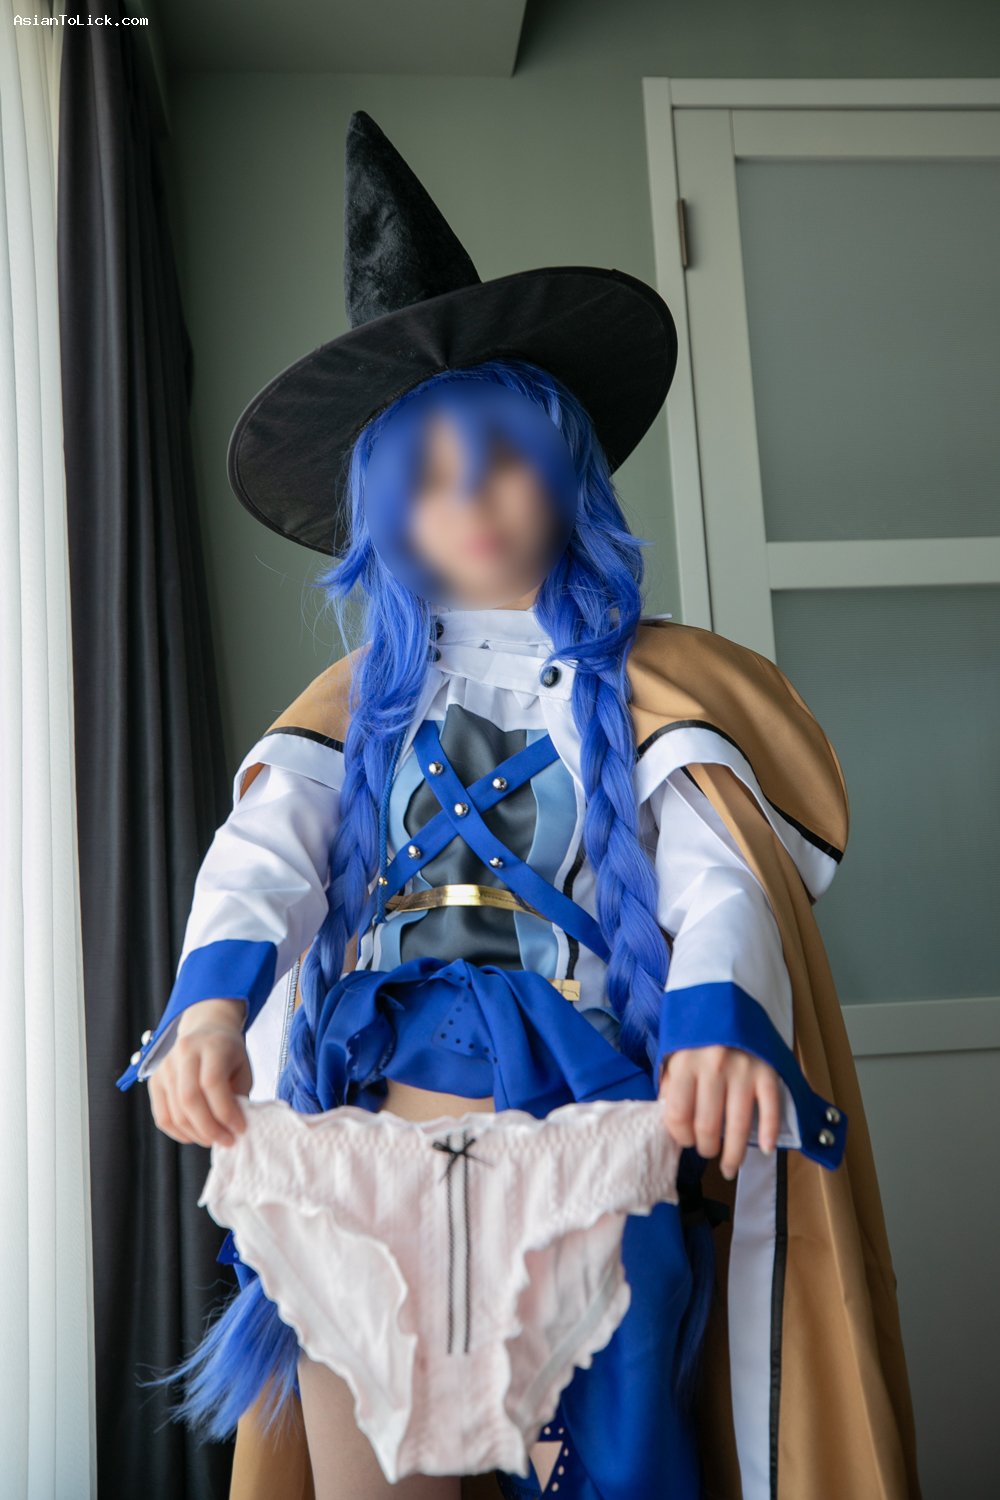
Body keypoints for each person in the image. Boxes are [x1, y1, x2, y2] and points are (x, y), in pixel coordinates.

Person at [115, 111, 922, 1500]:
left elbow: (718, 883)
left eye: (497, 454)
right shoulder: (355, 708)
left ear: (562, 460)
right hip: (368, 1179)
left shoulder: (659, 692)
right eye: (426, 479)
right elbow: (265, 857)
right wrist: (207, 1010)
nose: (472, 498)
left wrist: (717, 1018)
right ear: (385, 516)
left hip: (584, 1173)